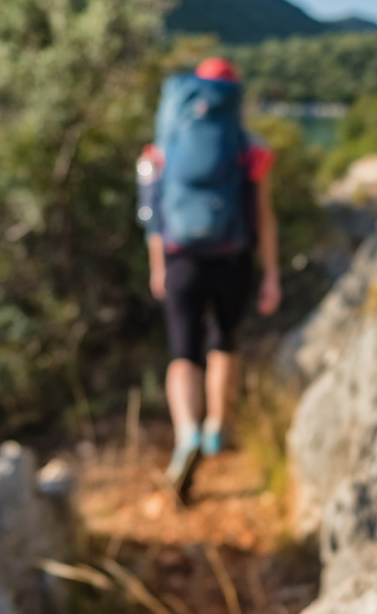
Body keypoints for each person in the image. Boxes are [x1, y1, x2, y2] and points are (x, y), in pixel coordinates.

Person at [137, 58, 281, 499]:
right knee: (224, 341)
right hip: (231, 256)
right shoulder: (250, 148)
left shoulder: (158, 151)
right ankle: (217, 426)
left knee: (183, 350)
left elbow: (151, 216)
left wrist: (158, 266)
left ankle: (186, 433)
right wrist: (272, 273)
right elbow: (264, 216)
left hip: (180, 257)